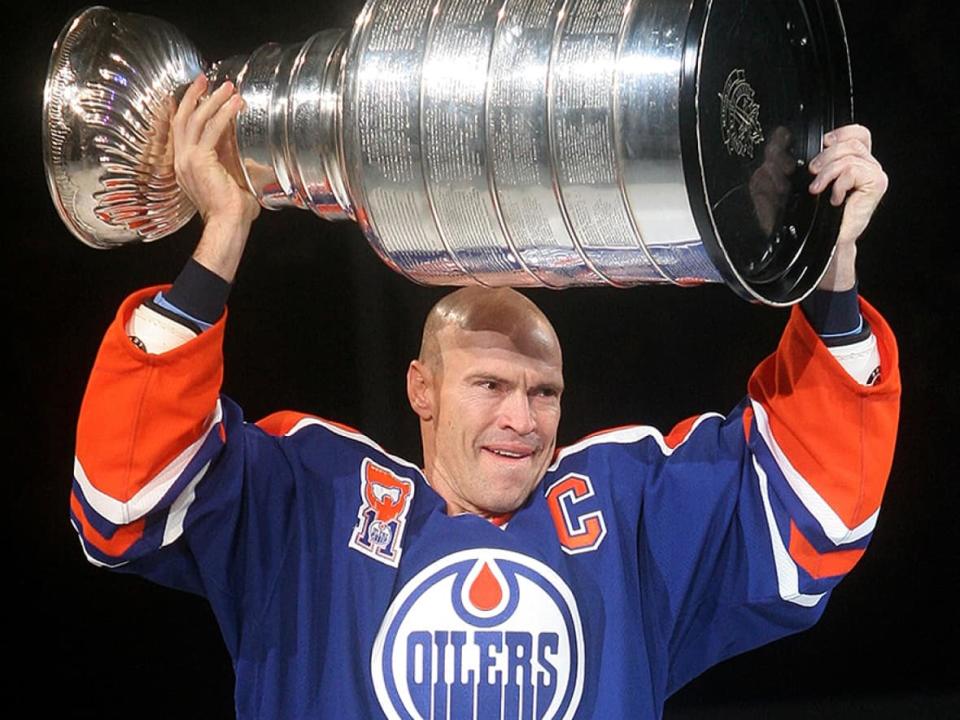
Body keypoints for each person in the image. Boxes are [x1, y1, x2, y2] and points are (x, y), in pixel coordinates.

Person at [70, 74, 899, 719]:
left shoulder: (627, 516)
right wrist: (222, 234)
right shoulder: (312, 504)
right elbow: (122, 496)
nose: (520, 418)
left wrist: (829, 263)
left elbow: (819, 514)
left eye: (544, 392)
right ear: (420, 390)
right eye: (490, 385)